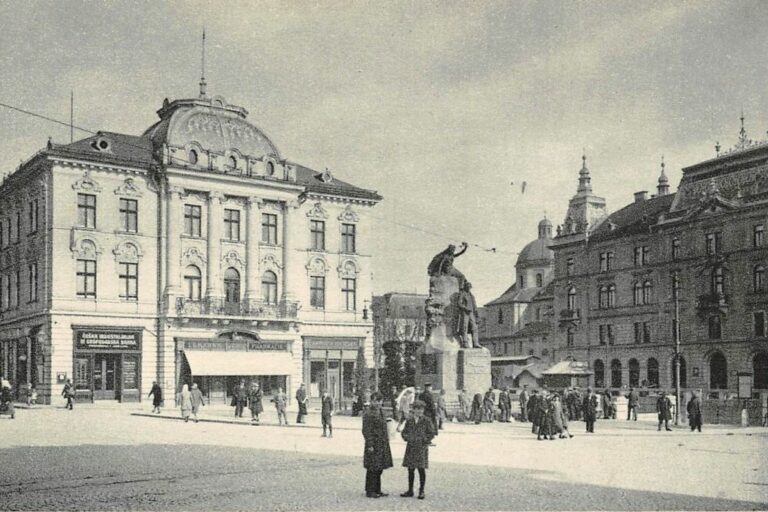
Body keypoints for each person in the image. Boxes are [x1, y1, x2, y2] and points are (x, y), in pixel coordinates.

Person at [400, 400, 435, 500]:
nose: (419, 411)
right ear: (413, 410)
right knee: (410, 470)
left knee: (421, 469)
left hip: (421, 448)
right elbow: (404, 432)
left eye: (421, 409)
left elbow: (431, 433)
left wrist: (424, 439)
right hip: (411, 447)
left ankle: (421, 490)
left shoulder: (426, 420)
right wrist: (407, 438)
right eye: (417, 409)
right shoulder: (410, 420)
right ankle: (410, 490)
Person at [362, 392, 393, 498]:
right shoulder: (368, 413)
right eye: (374, 401)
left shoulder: (381, 411)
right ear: (371, 401)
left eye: (378, 401)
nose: (377, 403)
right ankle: (370, 491)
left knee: (379, 467)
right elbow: (366, 430)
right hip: (373, 443)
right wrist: (370, 444)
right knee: (372, 467)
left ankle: (377, 489)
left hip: (382, 443)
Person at [456, 281, 480, 348]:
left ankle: (475, 343)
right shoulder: (462, 294)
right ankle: (465, 342)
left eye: (470, 287)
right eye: (468, 287)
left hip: (471, 313)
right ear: (465, 287)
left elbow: (474, 304)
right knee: (464, 327)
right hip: (465, 313)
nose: (469, 288)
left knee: (474, 328)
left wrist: (476, 313)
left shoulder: (471, 295)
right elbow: (459, 303)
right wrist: (465, 308)